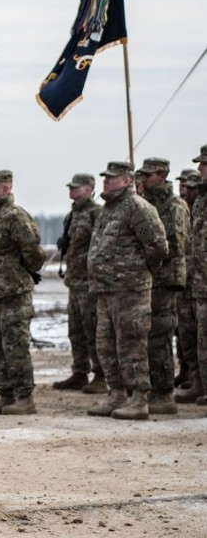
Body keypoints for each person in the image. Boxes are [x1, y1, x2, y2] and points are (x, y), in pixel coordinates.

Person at [87, 161, 168, 420]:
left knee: (131, 345)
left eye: (111, 178)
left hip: (130, 291)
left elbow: (158, 247)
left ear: (127, 180)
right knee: (106, 345)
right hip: (106, 291)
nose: (105, 181)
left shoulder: (138, 208)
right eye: (105, 177)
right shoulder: (107, 210)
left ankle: (139, 398)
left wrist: (137, 271)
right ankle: (117, 394)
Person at [0, 170, 46, 415]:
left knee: (15, 346)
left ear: (5, 189)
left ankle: (24, 397)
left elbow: (34, 253)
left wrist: (19, 273)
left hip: (14, 293)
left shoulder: (15, 216)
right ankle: (5, 395)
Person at [136, 158, 189, 415]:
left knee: (160, 338)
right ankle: (151, 389)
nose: (143, 179)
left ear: (162, 175)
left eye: (148, 175)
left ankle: (164, 393)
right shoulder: (146, 204)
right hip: (147, 280)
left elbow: (176, 245)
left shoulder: (174, 206)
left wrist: (145, 251)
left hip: (165, 281)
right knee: (146, 338)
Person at [53, 174, 105, 393]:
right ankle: (80, 371)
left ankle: (101, 374)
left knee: (92, 328)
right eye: (70, 188)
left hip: (90, 282)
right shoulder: (71, 215)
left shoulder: (97, 213)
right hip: (74, 281)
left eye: (76, 188)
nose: (71, 191)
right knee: (75, 330)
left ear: (89, 189)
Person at [174, 169, 201, 391]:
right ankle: (192, 374)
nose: (186, 190)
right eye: (184, 185)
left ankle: (198, 379)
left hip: (199, 283)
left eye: (190, 186)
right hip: (186, 283)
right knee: (185, 334)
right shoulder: (186, 210)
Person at [187, 149, 207, 412]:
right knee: (202, 341)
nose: (200, 170)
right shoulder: (201, 201)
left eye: (204, 165)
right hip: (202, 285)